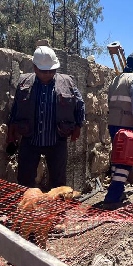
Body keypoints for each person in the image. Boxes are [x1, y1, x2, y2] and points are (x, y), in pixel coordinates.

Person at [6, 45, 85, 189]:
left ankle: (57, 211)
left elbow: (79, 104)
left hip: (57, 141)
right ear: (35, 67)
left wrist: (78, 126)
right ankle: (28, 210)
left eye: (52, 70)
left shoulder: (67, 82)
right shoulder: (24, 83)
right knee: (24, 181)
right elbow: (16, 109)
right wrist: (11, 133)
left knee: (58, 183)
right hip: (30, 140)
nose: (49, 74)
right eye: (44, 71)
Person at [103, 50, 133, 209]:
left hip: (113, 124)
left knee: (117, 158)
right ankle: (113, 198)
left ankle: (118, 191)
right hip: (128, 125)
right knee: (125, 162)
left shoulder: (117, 79)